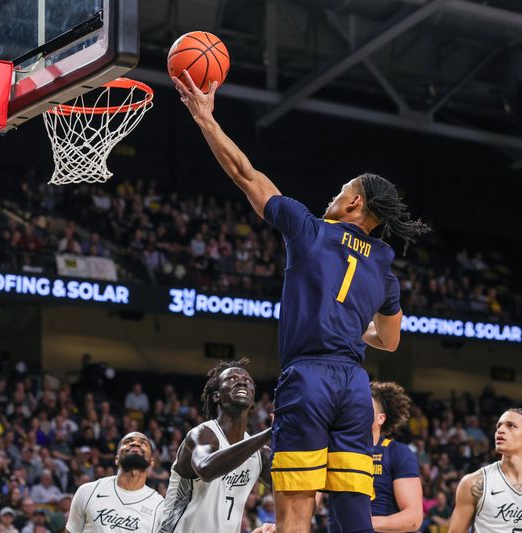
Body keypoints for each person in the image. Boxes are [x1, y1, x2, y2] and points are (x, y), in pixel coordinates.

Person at [173, 72, 428, 533]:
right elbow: (389, 341)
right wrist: (352, 331)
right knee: (355, 517)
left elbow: (244, 173)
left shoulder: (308, 228)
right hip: (355, 387)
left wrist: (206, 119)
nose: (332, 195)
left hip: (308, 378)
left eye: (340, 191)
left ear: (353, 202)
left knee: (294, 509)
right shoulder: (385, 265)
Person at [158, 358, 272, 533]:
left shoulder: (260, 454)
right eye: (232, 379)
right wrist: (270, 433)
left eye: (248, 381)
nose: (242, 381)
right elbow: (206, 469)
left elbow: (291, 488)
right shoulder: (203, 435)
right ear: (216, 395)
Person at [329, 381, 422, 533]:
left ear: (380, 418)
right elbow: (310, 500)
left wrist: (362, 524)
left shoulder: (397, 452)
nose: (356, 412)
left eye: (364, 407)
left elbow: (413, 518)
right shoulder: (333, 449)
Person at [66, 431, 164, 532]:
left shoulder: (159, 507)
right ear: (116, 459)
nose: (135, 443)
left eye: (143, 443)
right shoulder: (87, 491)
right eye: (127, 441)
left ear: (152, 461)